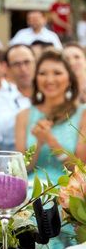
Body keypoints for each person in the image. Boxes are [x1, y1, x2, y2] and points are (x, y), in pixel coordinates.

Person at [15, 50, 86, 183]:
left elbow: (80, 170)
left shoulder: (83, 115)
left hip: (69, 192)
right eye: (42, 74)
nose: (49, 80)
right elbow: (20, 171)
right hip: (30, 191)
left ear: (70, 78)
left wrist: (51, 141)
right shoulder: (23, 116)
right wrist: (38, 143)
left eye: (57, 73)